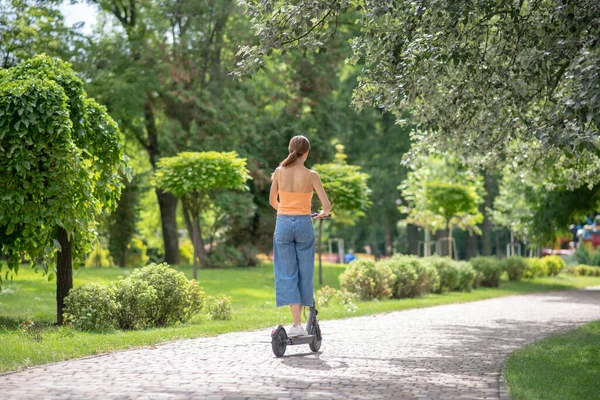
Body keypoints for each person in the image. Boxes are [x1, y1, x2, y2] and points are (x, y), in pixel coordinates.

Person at [269, 135, 331, 337]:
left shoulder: (279, 172)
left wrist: (286, 211)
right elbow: (327, 206)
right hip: (304, 223)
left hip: (283, 223)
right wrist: (323, 213)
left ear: (290, 149)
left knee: (287, 273)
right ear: (307, 153)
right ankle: (302, 324)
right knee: (304, 271)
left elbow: (272, 201)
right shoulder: (311, 175)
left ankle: (295, 324)